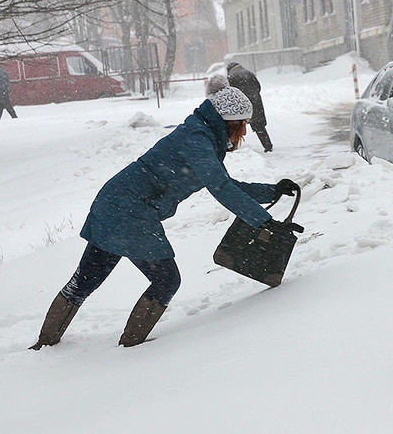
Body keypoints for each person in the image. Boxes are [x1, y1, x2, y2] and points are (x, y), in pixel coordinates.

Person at [29, 82, 300, 349]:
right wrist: (263, 222)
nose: (243, 130)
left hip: (114, 203)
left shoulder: (202, 134)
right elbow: (220, 187)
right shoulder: (197, 140)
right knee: (166, 280)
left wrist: (272, 190)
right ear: (231, 121)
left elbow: (223, 183)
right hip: (132, 210)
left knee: (86, 279)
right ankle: (132, 348)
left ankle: (46, 343)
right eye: (243, 124)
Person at [226, 62, 273, 152]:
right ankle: (268, 146)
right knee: (259, 126)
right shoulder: (249, 73)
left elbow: (230, 92)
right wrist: (253, 95)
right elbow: (258, 87)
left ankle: (232, 146)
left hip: (241, 105)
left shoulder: (231, 77)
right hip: (255, 103)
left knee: (236, 126)